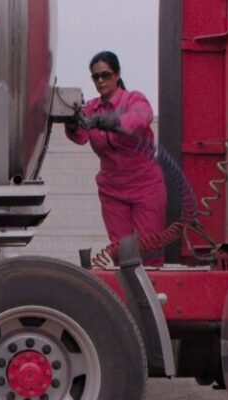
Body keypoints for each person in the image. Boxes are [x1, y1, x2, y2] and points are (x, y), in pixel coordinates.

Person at [65, 51, 167, 266]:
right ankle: (127, 286)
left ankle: (154, 285)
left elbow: (140, 119)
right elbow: (80, 137)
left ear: (117, 74)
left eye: (106, 75)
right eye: (96, 77)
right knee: (121, 252)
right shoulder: (90, 108)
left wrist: (111, 121)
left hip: (145, 185)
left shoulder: (134, 99)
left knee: (148, 249)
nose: (100, 81)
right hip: (112, 188)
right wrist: (72, 124)